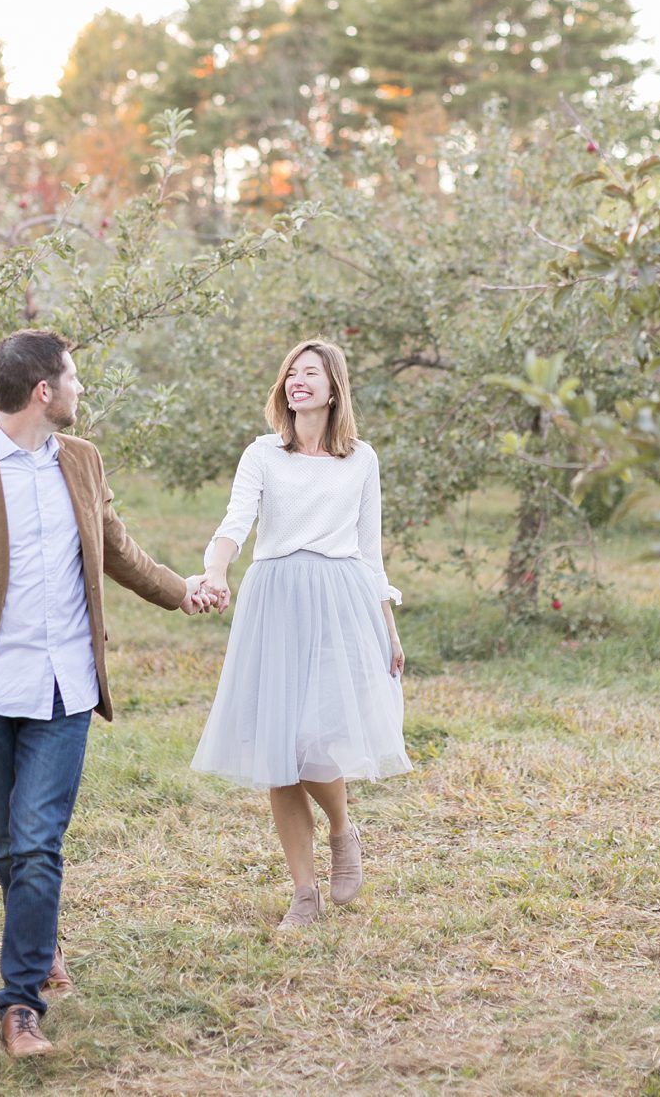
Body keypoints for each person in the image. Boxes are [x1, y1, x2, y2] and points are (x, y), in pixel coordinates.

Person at [0, 329, 223, 1060]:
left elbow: (115, 547)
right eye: (73, 378)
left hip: (67, 686)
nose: (81, 390)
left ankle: (19, 1006)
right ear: (43, 390)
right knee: (8, 841)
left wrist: (183, 592)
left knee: (39, 842)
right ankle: (41, 940)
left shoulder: (82, 460)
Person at [188, 338, 409, 929]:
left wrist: (389, 627)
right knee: (278, 749)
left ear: (333, 387)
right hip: (274, 599)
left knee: (316, 736)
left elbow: (370, 549)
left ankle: (342, 829)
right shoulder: (262, 453)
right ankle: (304, 893)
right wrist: (215, 570)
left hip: (340, 599)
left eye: (310, 373)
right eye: (291, 373)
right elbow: (235, 523)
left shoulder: (361, 458)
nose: (297, 381)